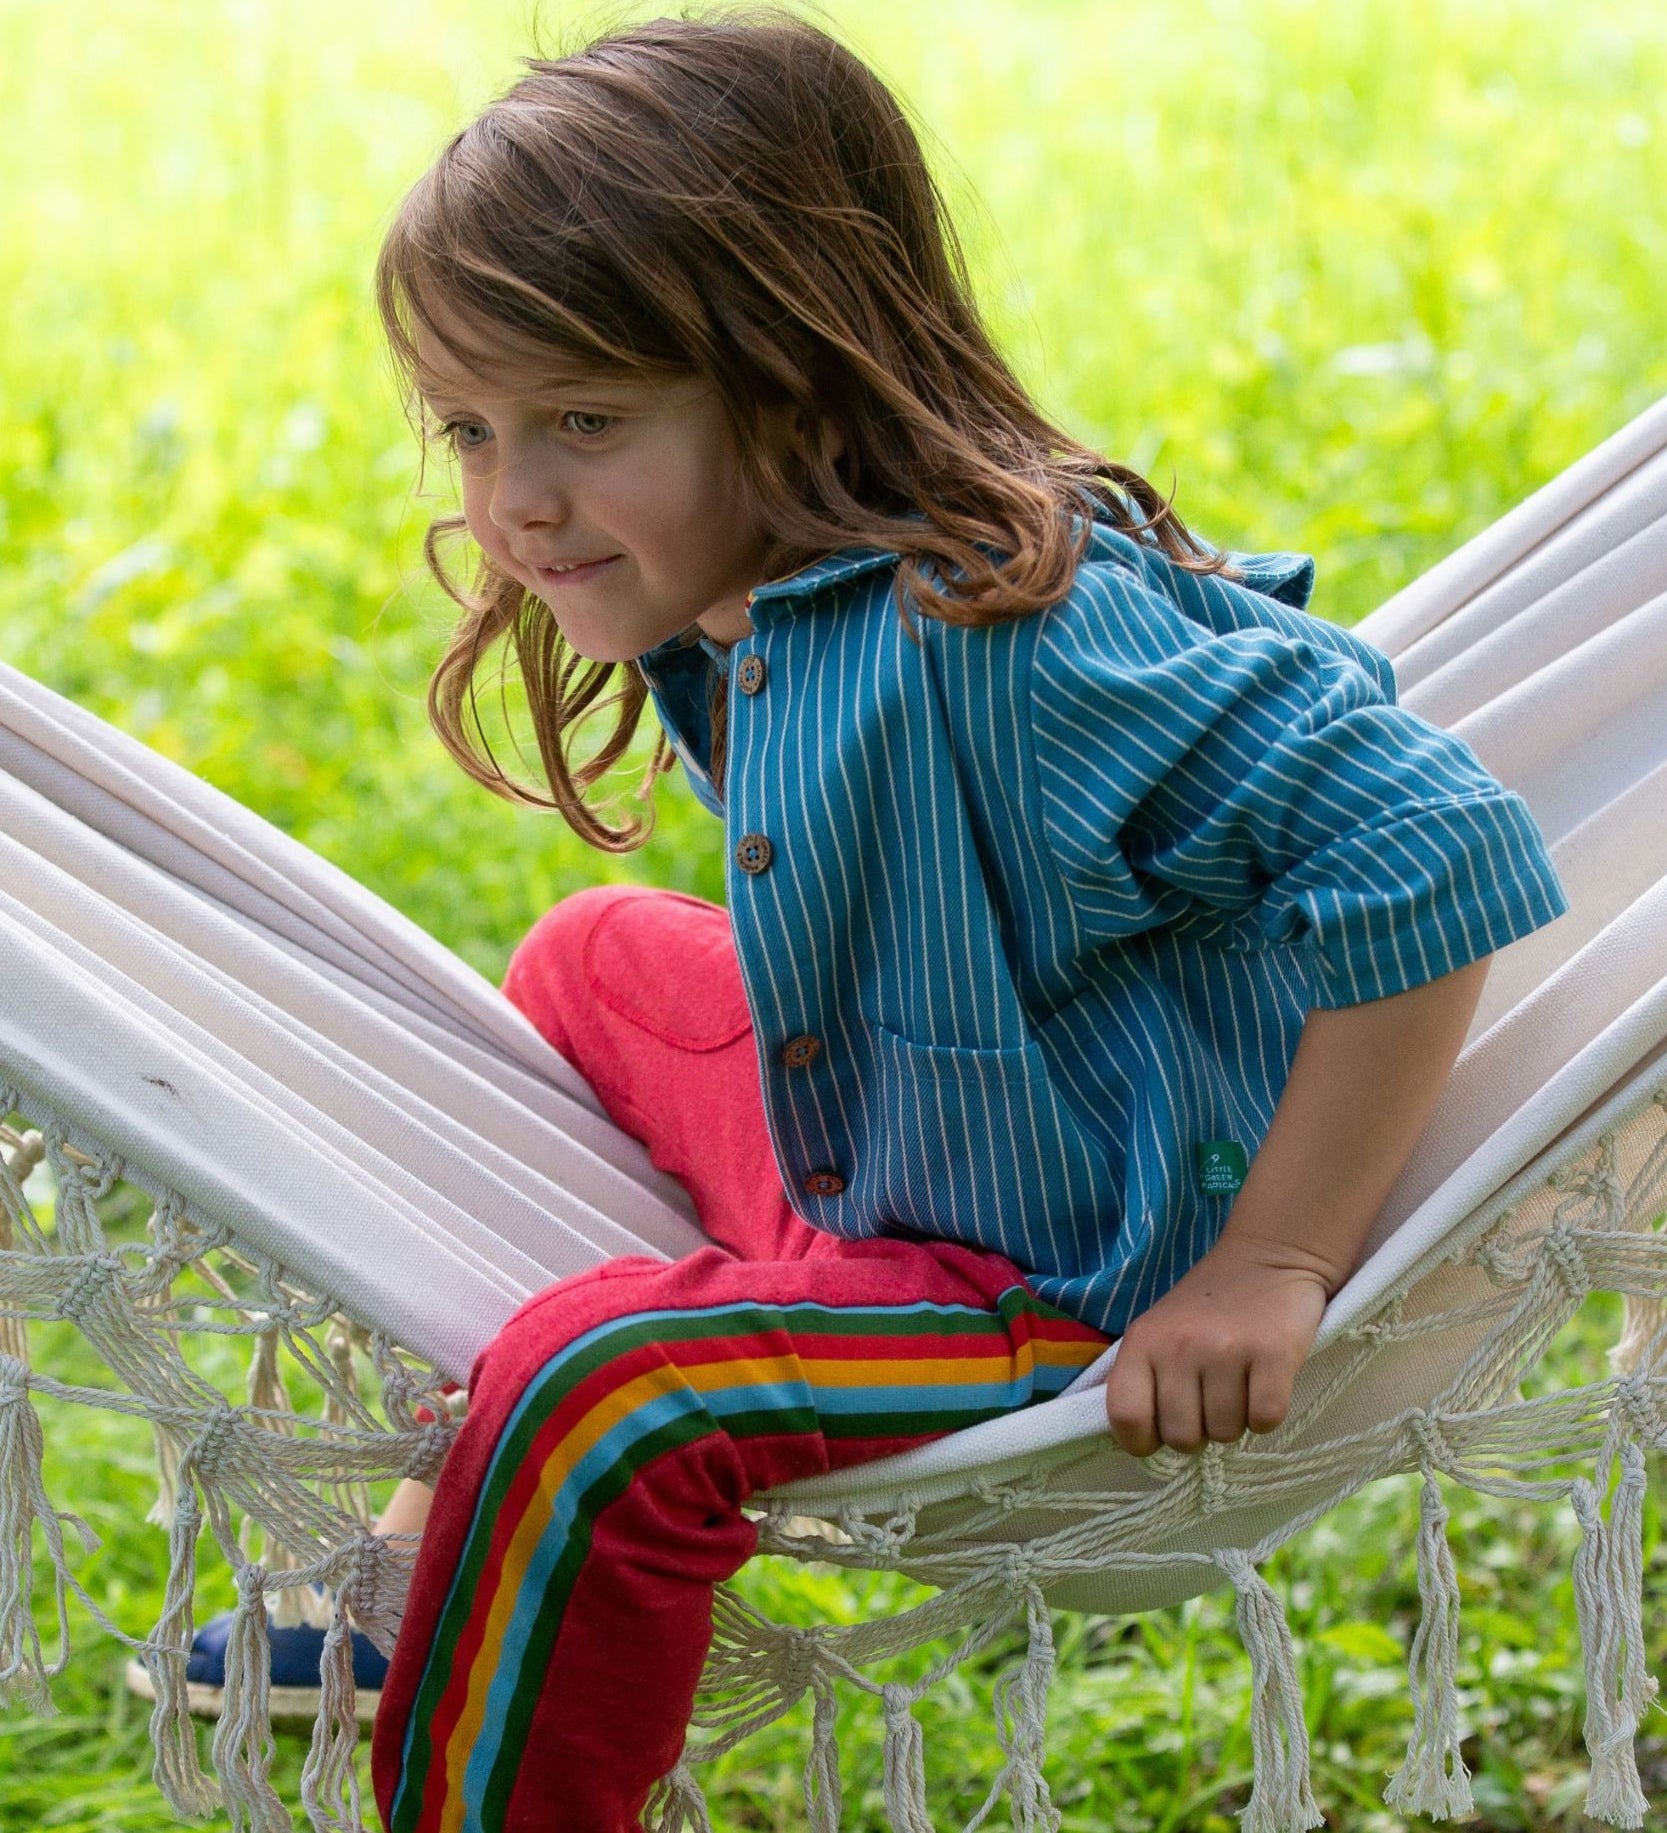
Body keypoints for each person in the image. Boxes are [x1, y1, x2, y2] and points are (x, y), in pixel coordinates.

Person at [183, 11, 1573, 1830]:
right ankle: (424, 1548)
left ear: (796, 373)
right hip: (921, 1149)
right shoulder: (782, 589)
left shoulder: (1009, 637)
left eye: (585, 422)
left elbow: (1438, 847)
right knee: (594, 956)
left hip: (1074, 1266)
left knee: (603, 1390)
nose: (514, 501)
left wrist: (1270, 1265)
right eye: (473, 427)